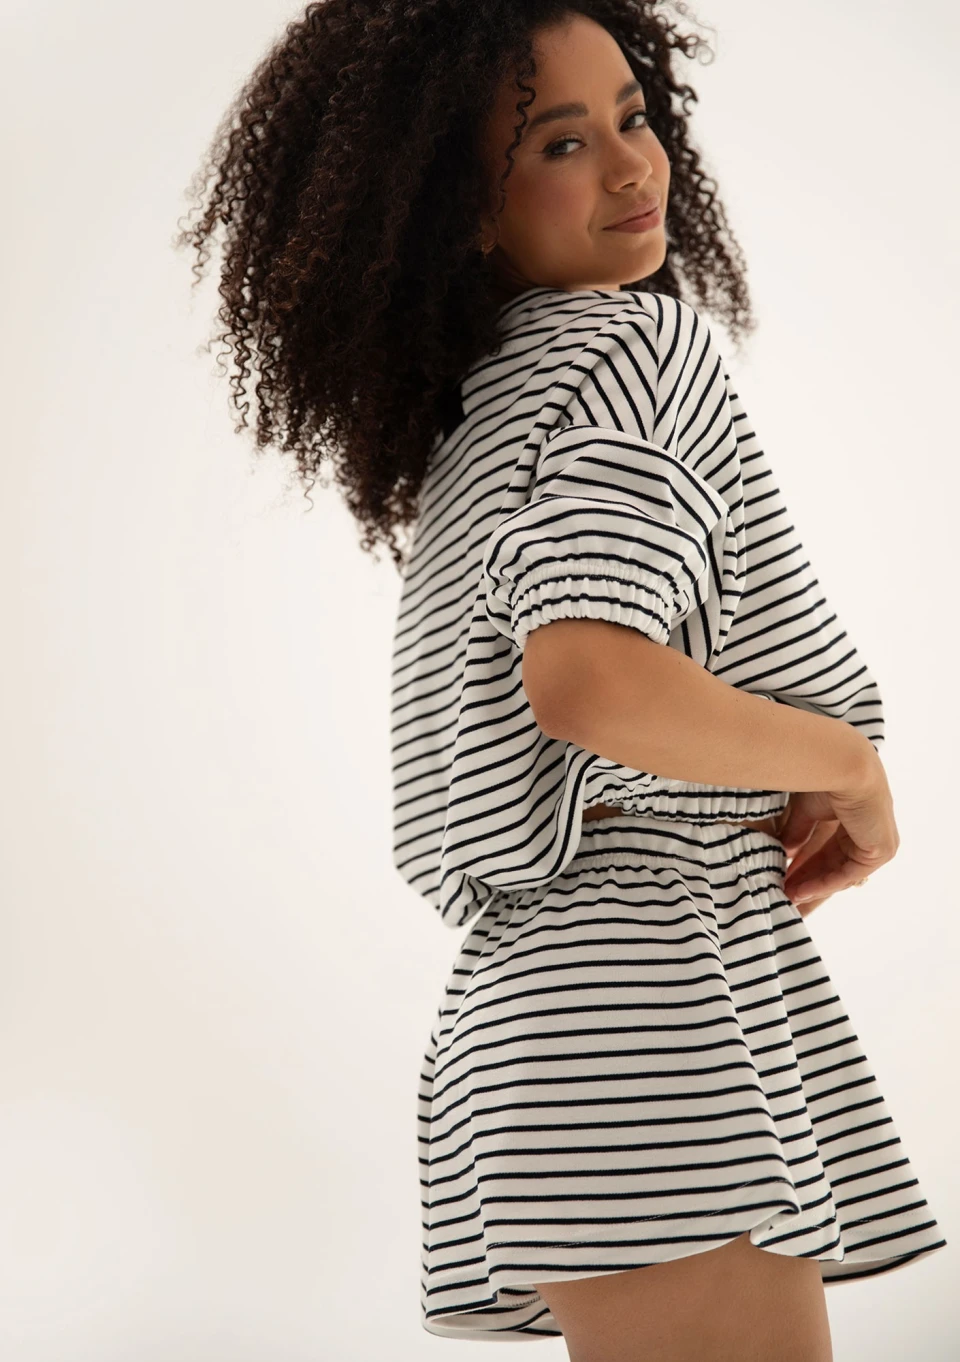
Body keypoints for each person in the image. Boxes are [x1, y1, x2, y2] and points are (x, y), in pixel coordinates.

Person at [176, 2, 947, 1357]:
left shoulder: (487, 413)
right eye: (560, 143)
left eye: (634, 117)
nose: (634, 165)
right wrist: (851, 767)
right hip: (645, 1002)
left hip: (547, 1018)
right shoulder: (632, 348)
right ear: (458, 210)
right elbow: (591, 684)